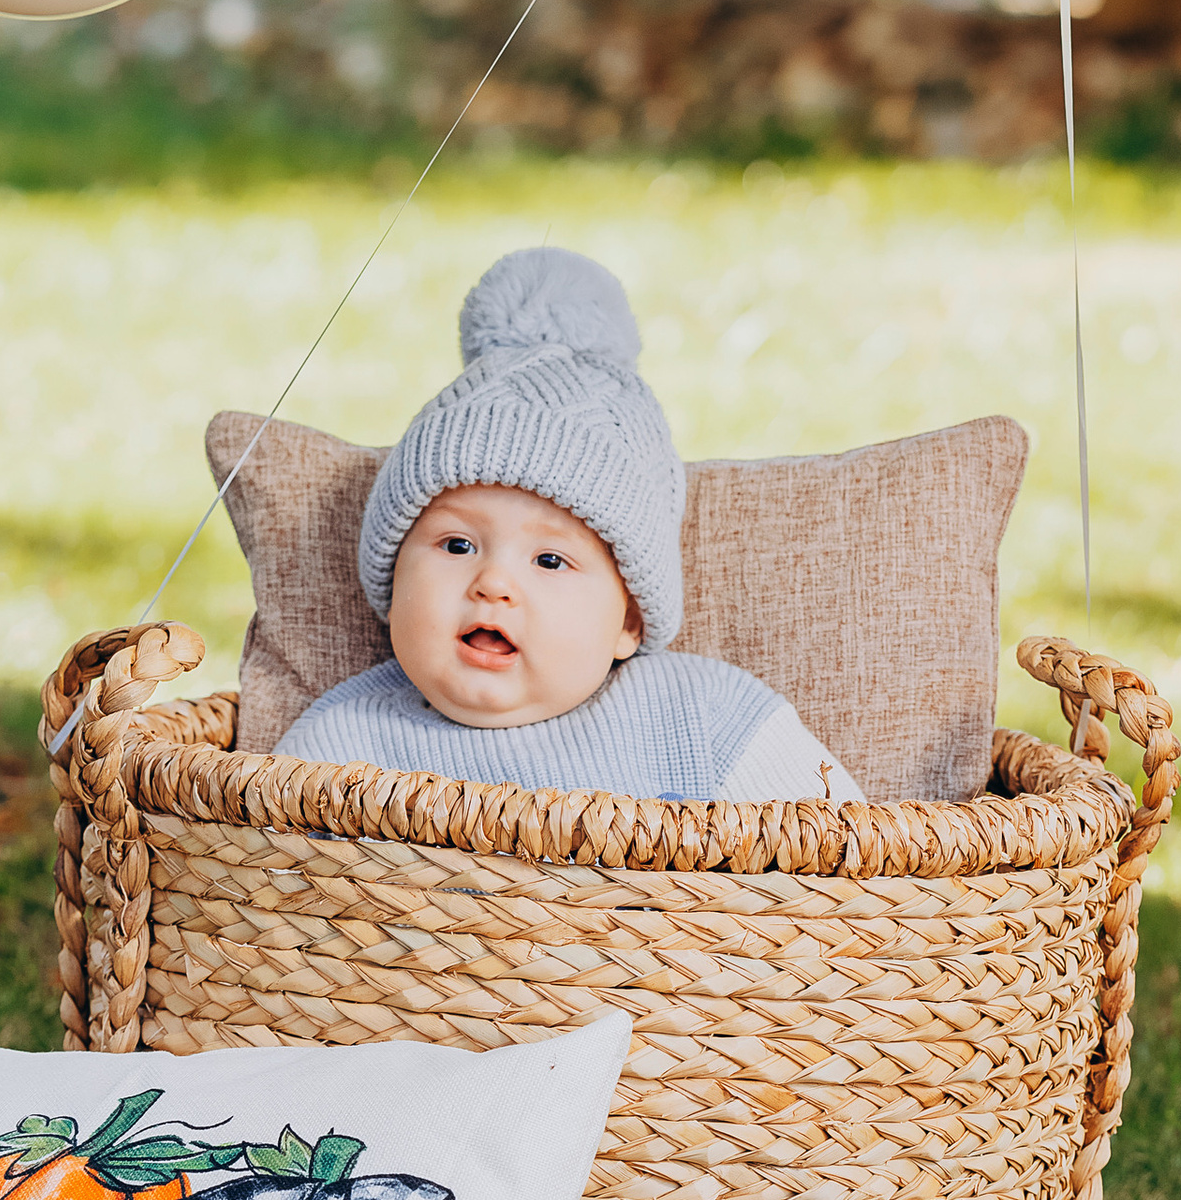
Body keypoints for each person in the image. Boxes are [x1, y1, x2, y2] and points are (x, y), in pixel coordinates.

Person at [275, 245, 863, 805]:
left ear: (628, 621)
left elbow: (844, 858)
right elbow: (264, 886)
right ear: (390, 581)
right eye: (458, 544)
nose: (493, 584)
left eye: (550, 560)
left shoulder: (704, 717)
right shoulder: (338, 752)